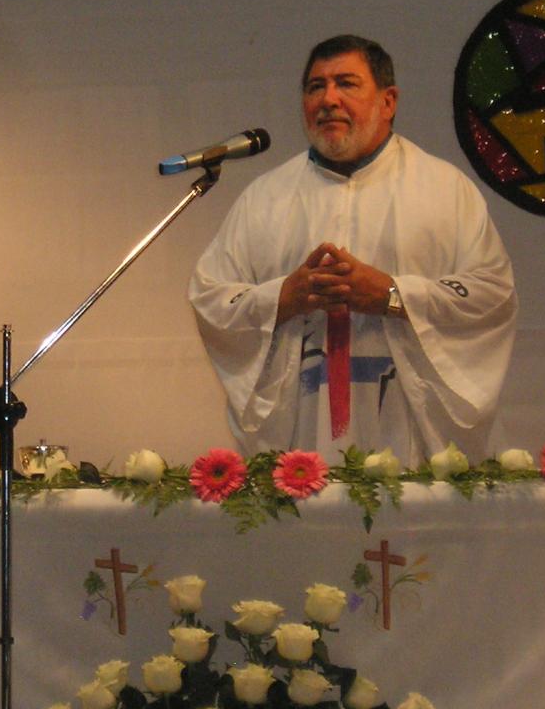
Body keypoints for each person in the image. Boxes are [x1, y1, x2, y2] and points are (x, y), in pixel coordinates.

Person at [189, 34, 516, 463]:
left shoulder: (445, 190)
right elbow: (211, 297)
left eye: (346, 83)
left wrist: (393, 296)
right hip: (302, 437)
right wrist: (282, 298)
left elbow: (491, 294)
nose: (328, 99)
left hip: (411, 435)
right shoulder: (265, 198)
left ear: (388, 101)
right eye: (315, 87)